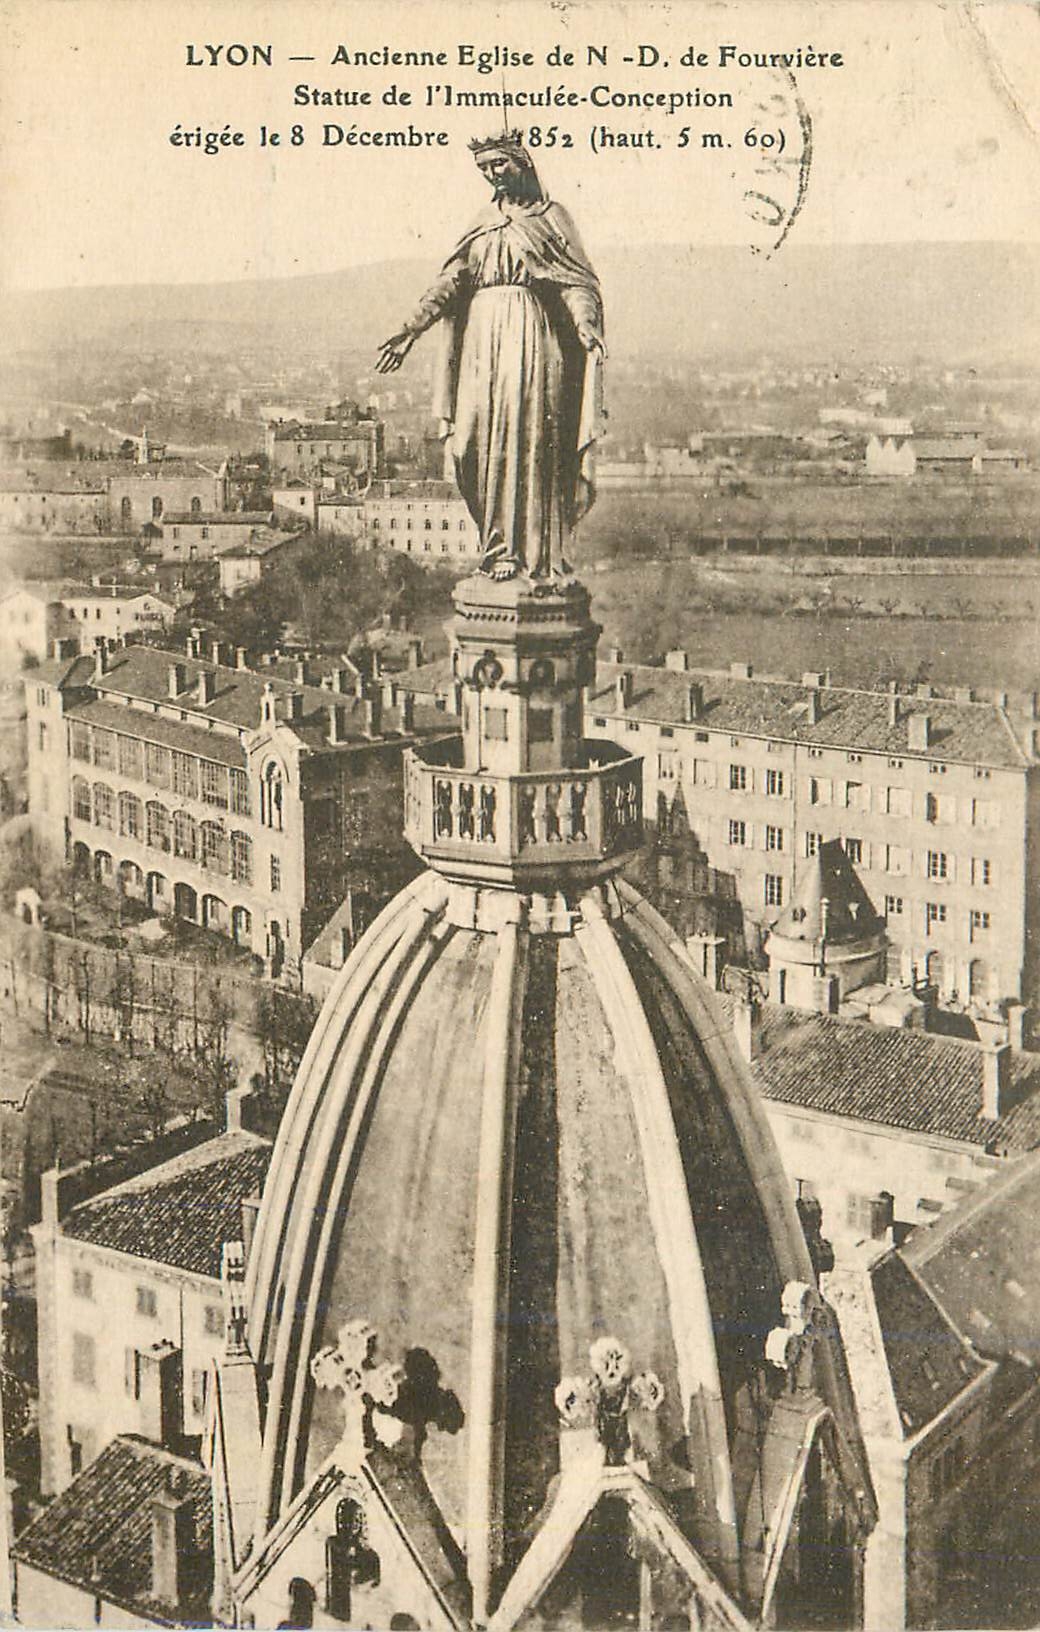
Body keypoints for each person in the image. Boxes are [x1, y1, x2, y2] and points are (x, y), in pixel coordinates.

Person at [376, 131, 604, 580]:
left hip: (531, 340)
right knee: (470, 444)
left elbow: (577, 283)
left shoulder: (552, 218)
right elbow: (450, 282)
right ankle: (496, 545)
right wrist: (411, 328)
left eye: (499, 164)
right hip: (481, 344)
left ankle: (527, 555)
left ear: (523, 162)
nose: (492, 175)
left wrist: (585, 323)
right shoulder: (482, 222)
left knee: (529, 441)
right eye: (484, 168)